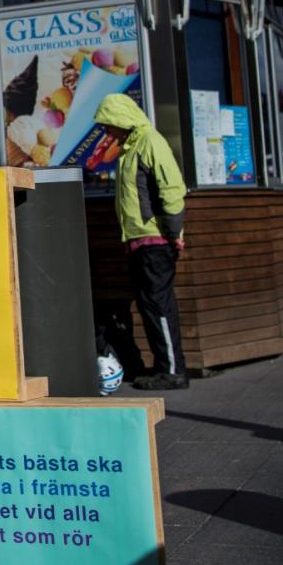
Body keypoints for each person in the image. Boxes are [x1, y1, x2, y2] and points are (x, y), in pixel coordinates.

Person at [94, 94, 188, 391]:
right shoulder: (130, 147)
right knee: (152, 306)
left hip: (154, 241)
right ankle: (167, 368)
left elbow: (172, 187)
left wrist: (173, 233)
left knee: (158, 306)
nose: (109, 133)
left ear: (122, 120)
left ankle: (173, 371)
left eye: (110, 127)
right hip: (139, 241)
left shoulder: (149, 141)